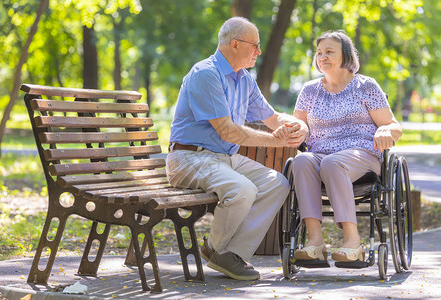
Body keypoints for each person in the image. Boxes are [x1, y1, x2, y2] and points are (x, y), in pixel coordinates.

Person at [166, 17, 308, 280]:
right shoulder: (206, 74)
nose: (259, 51)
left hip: (224, 158)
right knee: (242, 189)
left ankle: (229, 253)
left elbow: (274, 119)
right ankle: (217, 250)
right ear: (235, 44)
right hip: (188, 157)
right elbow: (227, 130)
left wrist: (299, 126)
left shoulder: (244, 79)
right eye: (255, 45)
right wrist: (275, 140)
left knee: (276, 183)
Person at [278, 30, 402, 263]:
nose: (322, 56)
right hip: (320, 154)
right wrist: (294, 130)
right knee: (302, 160)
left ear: (345, 55)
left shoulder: (366, 86)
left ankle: (352, 242)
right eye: (319, 52)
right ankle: (315, 242)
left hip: (362, 155)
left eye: (329, 52)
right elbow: (300, 125)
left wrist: (385, 130)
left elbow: (394, 126)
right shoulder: (309, 90)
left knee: (332, 162)